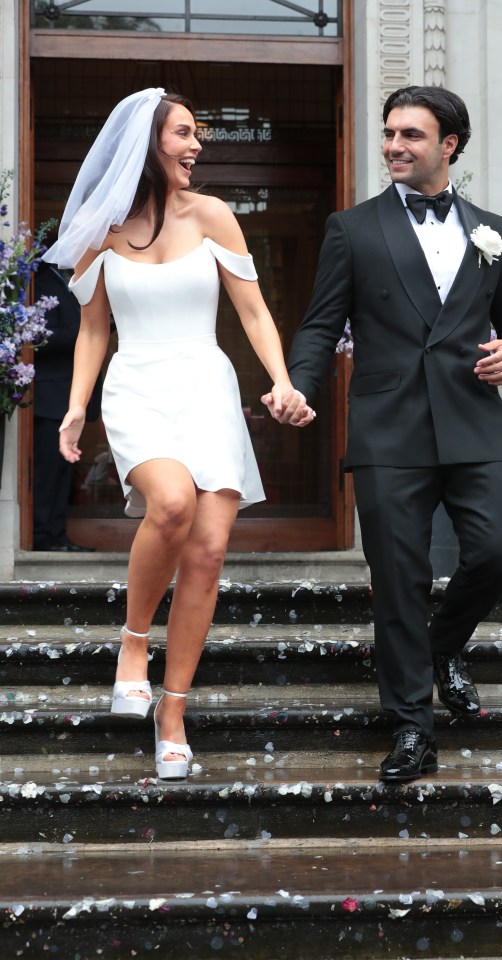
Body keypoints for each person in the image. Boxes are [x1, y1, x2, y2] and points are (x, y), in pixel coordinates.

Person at [263, 85, 502, 783]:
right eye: (389, 133)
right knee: (399, 579)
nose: (393, 146)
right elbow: (322, 323)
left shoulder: (491, 228)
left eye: (410, 135)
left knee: (500, 549)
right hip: (389, 429)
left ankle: (442, 647)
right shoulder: (351, 229)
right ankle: (414, 727)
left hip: (473, 421)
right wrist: (298, 384)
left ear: (449, 145)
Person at [43, 88, 313, 780]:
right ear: (148, 142)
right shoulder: (101, 231)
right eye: (185, 133)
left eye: (199, 135)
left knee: (209, 550)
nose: (197, 147)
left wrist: (281, 380)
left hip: (206, 385)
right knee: (170, 505)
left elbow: (253, 313)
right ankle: (134, 645)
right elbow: (94, 330)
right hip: (136, 385)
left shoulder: (216, 216)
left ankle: (172, 713)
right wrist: (78, 408)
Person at [32, 261, 100, 552]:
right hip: (48, 394)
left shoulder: (72, 277)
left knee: (63, 472)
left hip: (68, 393)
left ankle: (57, 534)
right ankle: (43, 536)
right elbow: (35, 336)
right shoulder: (36, 278)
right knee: (48, 471)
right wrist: (85, 332)